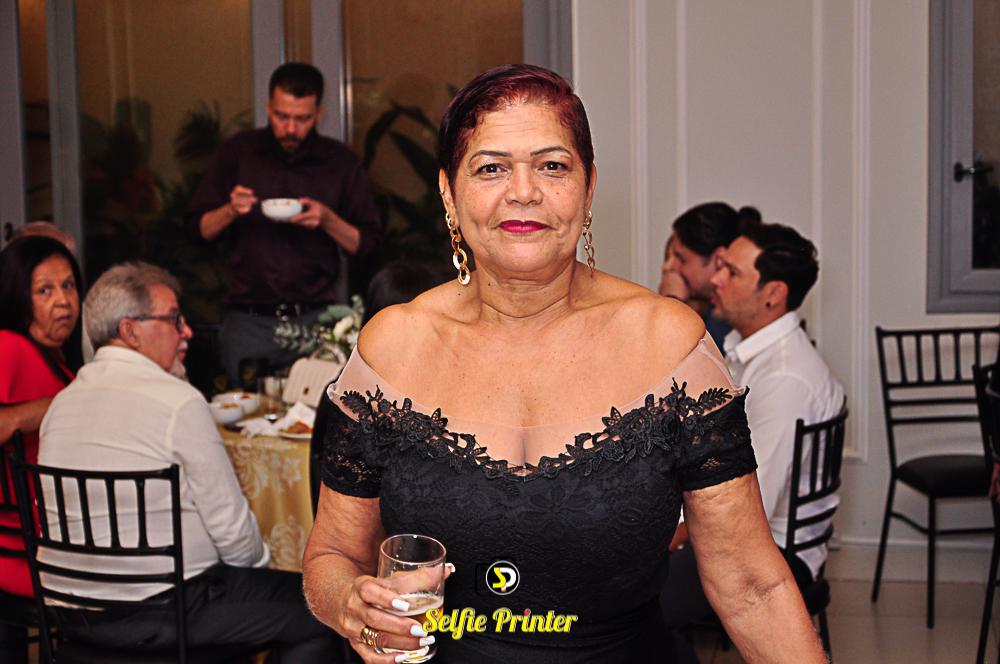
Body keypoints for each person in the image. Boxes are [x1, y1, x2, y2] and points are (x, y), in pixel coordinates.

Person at [301, 64, 826, 664]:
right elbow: (331, 557)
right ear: (448, 191)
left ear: (588, 185)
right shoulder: (392, 347)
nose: (523, 191)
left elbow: (753, 586)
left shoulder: (669, 343)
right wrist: (351, 605)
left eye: (552, 166)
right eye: (491, 168)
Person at [39, 262, 342, 662]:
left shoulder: (60, 405)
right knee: (323, 612)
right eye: (174, 319)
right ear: (130, 330)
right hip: (165, 612)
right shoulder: (177, 401)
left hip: (70, 614)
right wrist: (258, 573)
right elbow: (234, 536)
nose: (187, 332)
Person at [662, 220, 844, 641]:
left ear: (773, 294)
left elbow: (744, 512)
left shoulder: (784, 378)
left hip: (772, 553)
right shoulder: (756, 354)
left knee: (628, 600)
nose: (716, 280)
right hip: (746, 534)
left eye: (732, 272)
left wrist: (662, 536)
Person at [186, 62, 383, 385]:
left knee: (317, 412)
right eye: (281, 116)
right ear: (268, 108)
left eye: (302, 119)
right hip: (247, 323)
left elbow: (368, 245)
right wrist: (230, 211)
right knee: (244, 415)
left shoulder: (341, 162)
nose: (290, 128)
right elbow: (198, 230)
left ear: (319, 114)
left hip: (317, 321)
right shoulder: (238, 153)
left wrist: (328, 219)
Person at [0, 235, 83, 663]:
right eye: (44, 290)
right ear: (18, 296)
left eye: (68, 286)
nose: (63, 301)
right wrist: (60, 405)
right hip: (24, 553)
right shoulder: (8, 345)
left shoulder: (59, 362)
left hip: (49, 541)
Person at [662, 203, 760, 349]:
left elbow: (679, 357)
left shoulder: (728, 315)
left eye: (681, 259)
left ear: (719, 260)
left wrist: (673, 304)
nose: (668, 267)